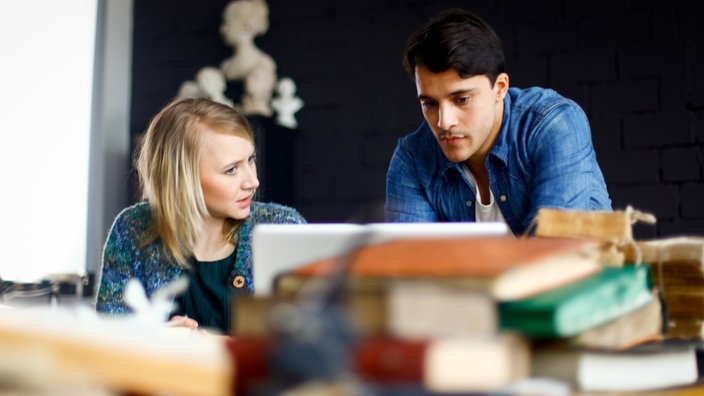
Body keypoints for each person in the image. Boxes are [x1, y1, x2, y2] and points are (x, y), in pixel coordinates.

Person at [385, 8, 611, 235]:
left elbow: (553, 250)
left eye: (462, 99)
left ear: (500, 88)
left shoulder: (553, 124)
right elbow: (406, 263)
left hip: (590, 271)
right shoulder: (413, 158)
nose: (444, 122)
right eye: (430, 104)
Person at [95, 98, 306, 333]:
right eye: (232, 169)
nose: (253, 181)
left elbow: (314, 345)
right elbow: (108, 339)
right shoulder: (131, 230)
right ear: (182, 179)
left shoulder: (283, 227)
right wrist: (152, 338)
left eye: (251, 160)